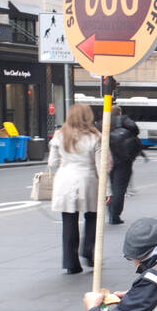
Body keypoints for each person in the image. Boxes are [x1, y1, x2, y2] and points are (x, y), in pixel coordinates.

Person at [48, 103, 102, 274]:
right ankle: (88, 250)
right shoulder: (95, 136)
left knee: (69, 220)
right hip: (88, 178)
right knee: (93, 217)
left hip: (65, 179)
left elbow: (52, 163)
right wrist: (107, 190)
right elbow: (101, 165)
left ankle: (70, 263)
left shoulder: (59, 135)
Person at [106, 105, 142, 225]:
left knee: (110, 187)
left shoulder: (104, 122)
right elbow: (135, 129)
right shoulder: (124, 120)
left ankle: (110, 211)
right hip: (123, 159)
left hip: (108, 158)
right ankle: (115, 215)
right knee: (119, 189)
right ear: (120, 112)